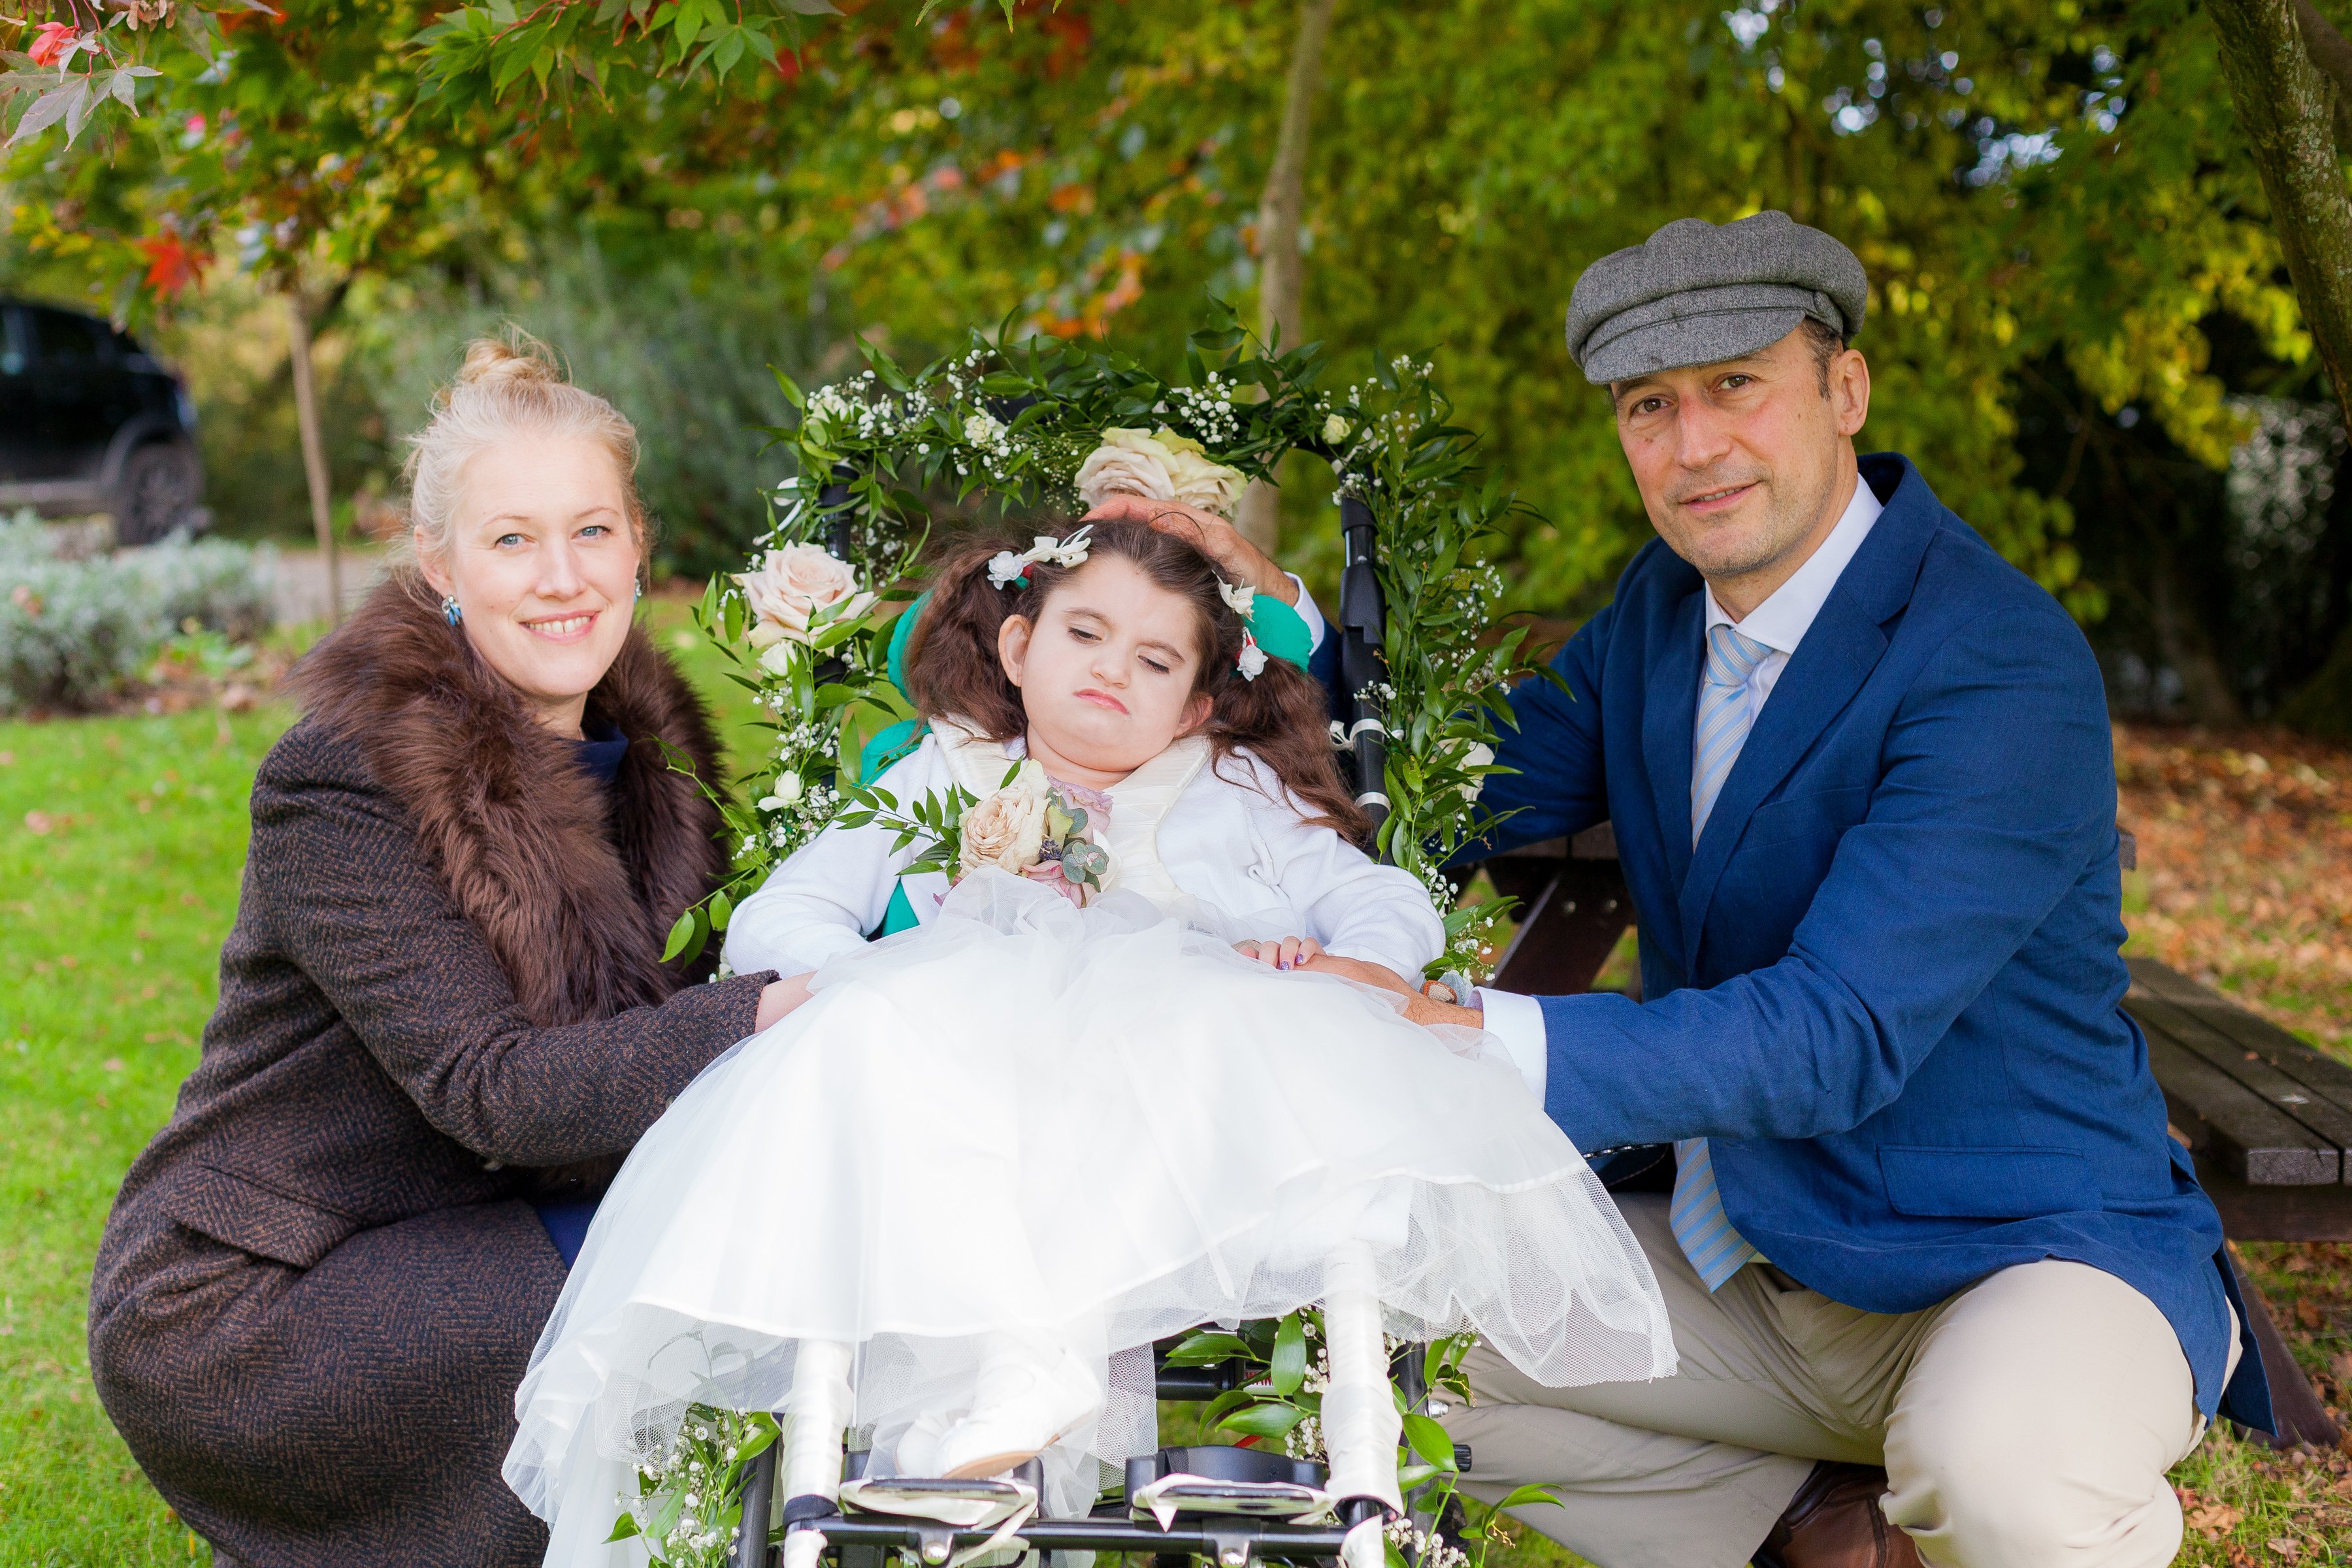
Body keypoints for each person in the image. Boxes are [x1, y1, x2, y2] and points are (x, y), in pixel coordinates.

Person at [1311, 212, 2274, 1568]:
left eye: (1736, 386)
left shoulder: (1996, 659)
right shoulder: (1658, 613)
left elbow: (1839, 1035)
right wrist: (1237, 637)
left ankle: (2057, 1488)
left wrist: (1483, 1038)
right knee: (1376, 1338)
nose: (1695, 445)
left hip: (2024, 1257)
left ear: (1845, 390)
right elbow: (1446, 795)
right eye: (1651, 406)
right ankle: (1812, 1532)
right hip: (1759, 1262)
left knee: (1997, 1475)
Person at [502, 517, 1678, 1566]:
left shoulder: (1231, 795)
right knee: (892, 1029)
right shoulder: (948, 771)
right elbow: (781, 915)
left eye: (1156, 660)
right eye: (1086, 635)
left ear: (1198, 706)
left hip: (1179, 1117)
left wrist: (1331, 960)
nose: (1115, 669)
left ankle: (1021, 1386)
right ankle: (992, 1396)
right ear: (1019, 650)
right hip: (969, 1103)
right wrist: (887, 970)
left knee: (1216, 1008)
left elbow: (1383, 904)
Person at [87, 337, 802, 1568]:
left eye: (592, 531)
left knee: (778, 1228)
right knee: (715, 1279)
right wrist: (766, 1014)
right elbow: (499, 1093)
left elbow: (672, 1034)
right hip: (260, 1298)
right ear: (441, 569)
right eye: (512, 540)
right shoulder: (345, 780)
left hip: (469, 1229)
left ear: (641, 545)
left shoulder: (657, 773)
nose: (562, 577)